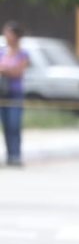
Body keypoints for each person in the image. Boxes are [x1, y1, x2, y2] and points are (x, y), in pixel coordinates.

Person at [1, 21, 31, 167]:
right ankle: (8, 155)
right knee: (5, 126)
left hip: (15, 94)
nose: (6, 36)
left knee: (14, 124)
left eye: (9, 33)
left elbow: (18, 71)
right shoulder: (2, 51)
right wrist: (8, 69)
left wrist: (5, 69)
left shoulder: (23, 53)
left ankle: (15, 155)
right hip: (2, 94)